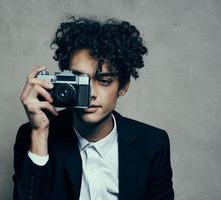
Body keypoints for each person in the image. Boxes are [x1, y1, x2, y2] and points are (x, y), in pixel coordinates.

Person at [13, 16, 174, 200]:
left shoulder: (153, 144)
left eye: (104, 81)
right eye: (80, 81)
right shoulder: (33, 135)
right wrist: (39, 133)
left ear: (123, 87)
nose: (90, 93)